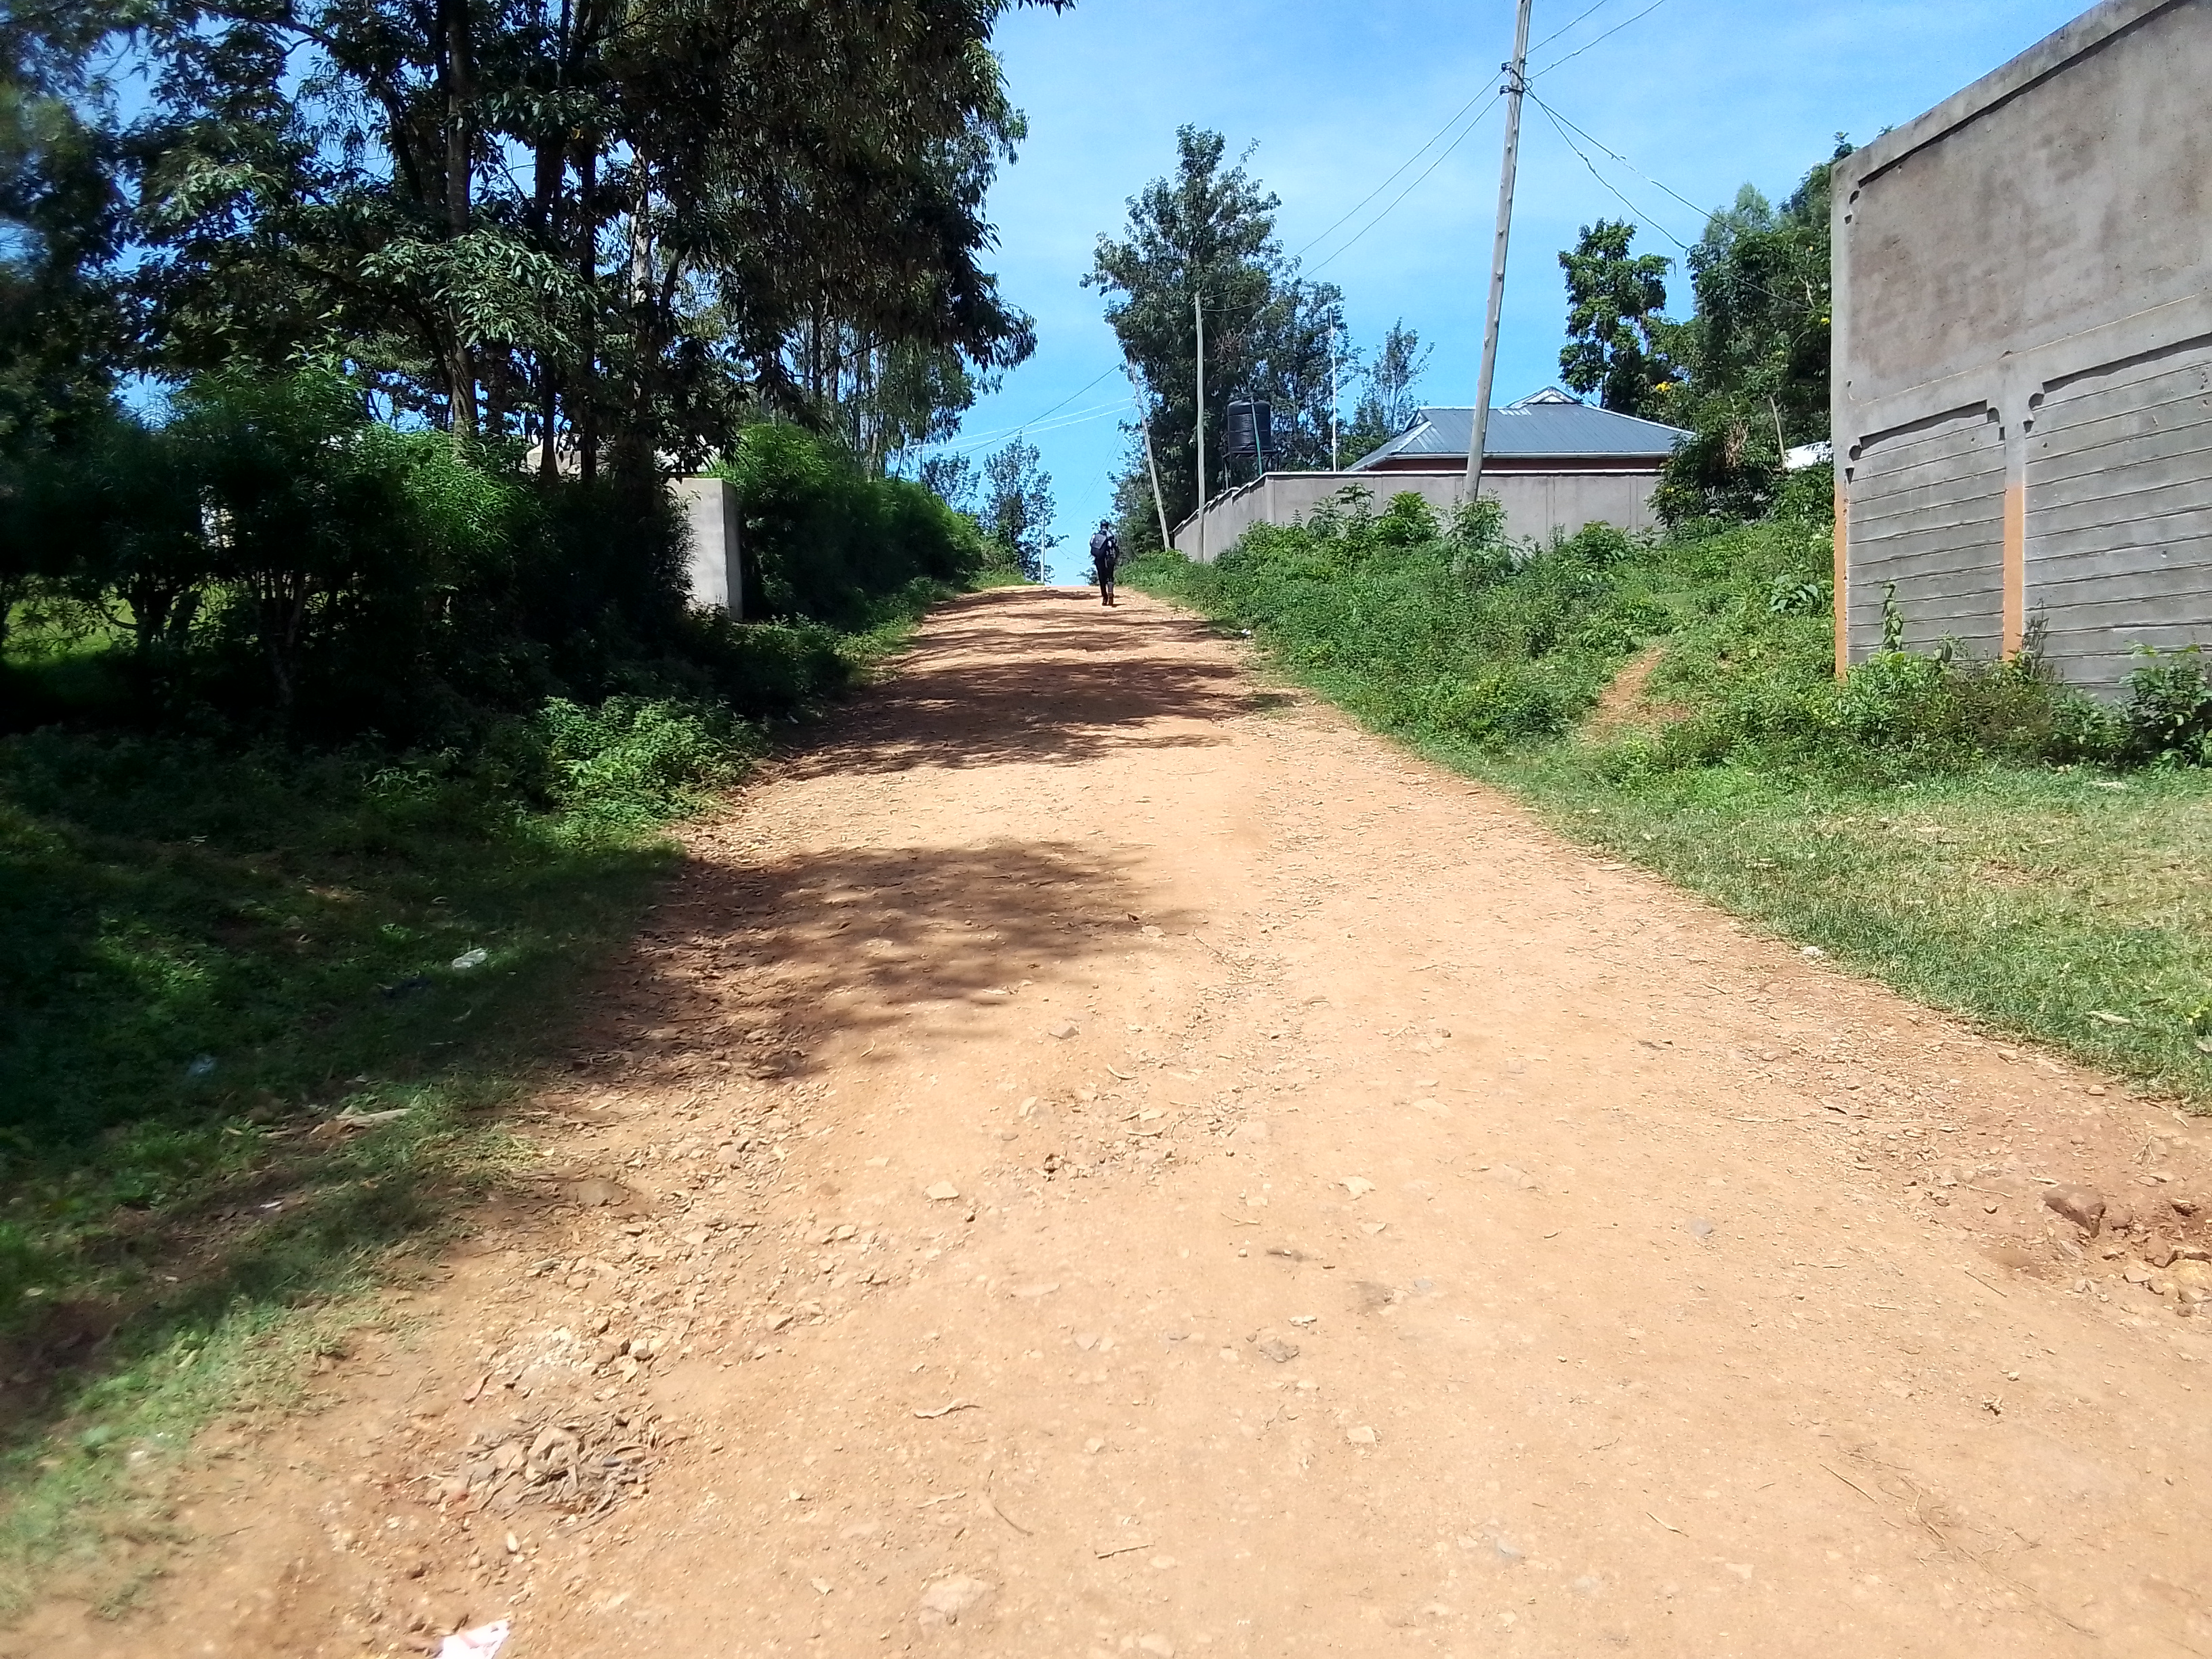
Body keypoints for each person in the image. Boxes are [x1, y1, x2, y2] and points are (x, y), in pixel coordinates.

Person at [1088, 518, 1120, 607]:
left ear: (1100, 526)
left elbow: (1091, 545)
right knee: (1110, 577)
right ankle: (1110, 594)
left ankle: (1104, 597)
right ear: (1107, 526)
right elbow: (1115, 548)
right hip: (1109, 558)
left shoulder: (1096, 535)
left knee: (1102, 579)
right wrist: (1116, 558)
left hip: (1099, 559)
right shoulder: (1111, 536)